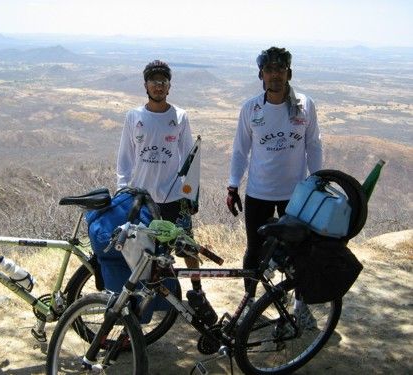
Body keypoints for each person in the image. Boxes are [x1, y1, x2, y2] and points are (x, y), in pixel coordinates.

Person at [227, 47, 323, 326]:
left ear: (288, 73)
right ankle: (249, 305)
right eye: (269, 70)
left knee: (301, 252)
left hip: (296, 194)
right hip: (259, 192)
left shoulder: (305, 105)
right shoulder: (251, 108)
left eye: (280, 69)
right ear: (261, 75)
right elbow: (239, 151)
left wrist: (317, 180)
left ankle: (300, 306)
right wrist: (232, 186)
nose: (275, 75)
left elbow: (313, 145)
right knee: (254, 250)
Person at [117, 60, 216, 325]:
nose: (158, 85)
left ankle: (197, 293)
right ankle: (145, 297)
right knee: (143, 252)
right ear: (145, 85)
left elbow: (190, 161)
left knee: (188, 247)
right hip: (142, 199)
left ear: (169, 86)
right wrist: (122, 190)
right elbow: (125, 159)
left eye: (163, 81)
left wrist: (191, 195)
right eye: (154, 80)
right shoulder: (133, 117)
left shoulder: (180, 117)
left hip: (174, 198)